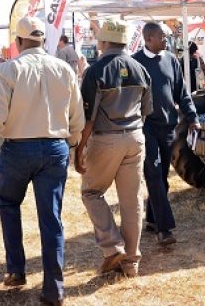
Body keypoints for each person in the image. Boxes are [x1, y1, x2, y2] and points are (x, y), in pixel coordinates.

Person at [0, 16, 84, 306]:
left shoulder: (9, 70)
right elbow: (77, 117)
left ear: (18, 42)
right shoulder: (64, 69)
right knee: (52, 218)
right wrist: (72, 146)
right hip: (56, 148)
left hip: (18, 150)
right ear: (43, 40)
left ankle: (16, 270)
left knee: (8, 204)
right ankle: (54, 289)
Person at [75, 20, 152, 278]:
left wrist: (79, 150)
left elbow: (89, 118)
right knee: (132, 202)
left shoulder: (95, 71)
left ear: (103, 41)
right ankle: (131, 264)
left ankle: (112, 247)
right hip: (136, 136)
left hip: (106, 138)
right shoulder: (141, 69)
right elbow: (146, 111)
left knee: (92, 192)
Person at [132, 22, 199, 246]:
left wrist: (192, 117)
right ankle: (165, 229)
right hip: (146, 128)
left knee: (161, 177)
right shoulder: (135, 62)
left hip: (169, 127)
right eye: (162, 36)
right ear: (149, 38)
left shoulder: (171, 59)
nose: (166, 40)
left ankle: (152, 219)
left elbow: (181, 91)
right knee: (153, 173)